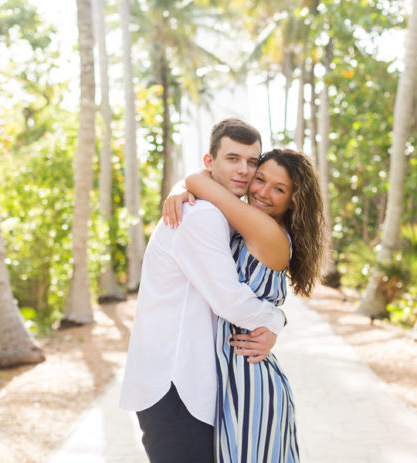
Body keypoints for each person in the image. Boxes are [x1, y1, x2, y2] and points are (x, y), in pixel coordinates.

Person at [119, 119, 288, 463]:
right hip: (175, 386)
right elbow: (230, 300)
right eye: (232, 158)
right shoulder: (202, 215)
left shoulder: (219, 211)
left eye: (252, 161)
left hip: (187, 386)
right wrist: (275, 320)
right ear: (209, 162)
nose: (244, 170)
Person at [163, 148, 326, 462]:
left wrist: (182, 189)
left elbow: (198, 179)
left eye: (278, 189)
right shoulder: (248, 224)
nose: (263, 193)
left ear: (293, 200)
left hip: (250, 381)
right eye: (260, 179)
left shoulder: (266, 231)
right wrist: (183, 192)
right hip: (235, 373)